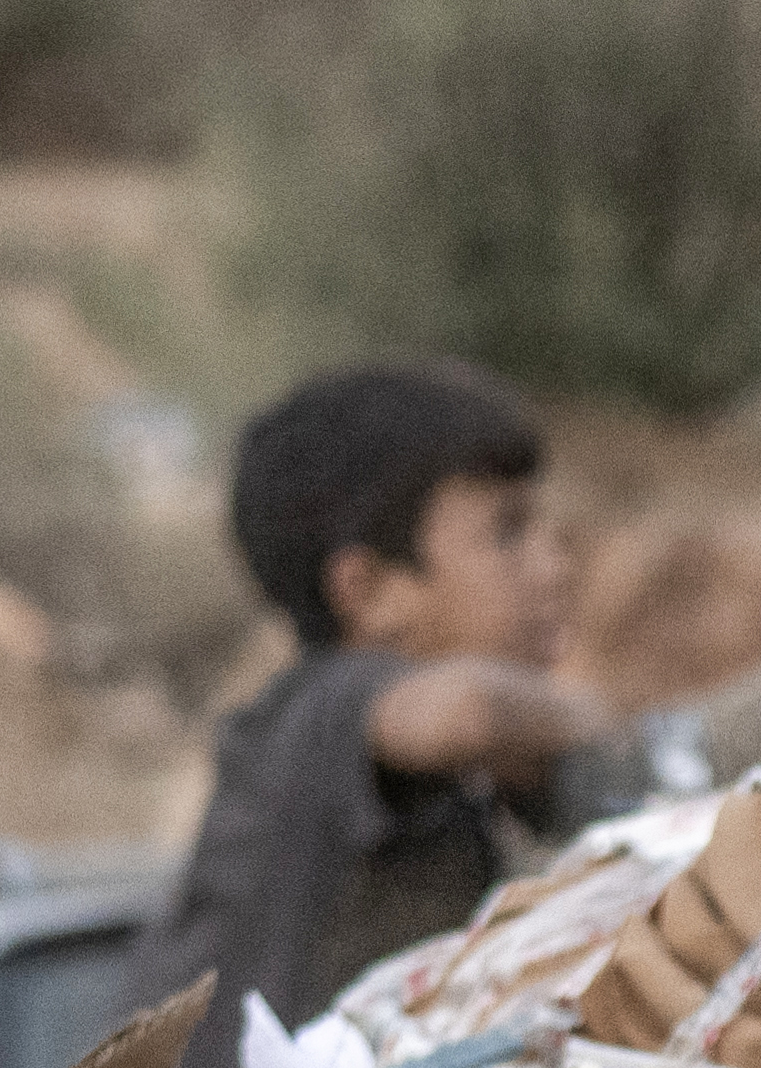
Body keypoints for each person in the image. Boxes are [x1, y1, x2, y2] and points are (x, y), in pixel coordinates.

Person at [148, 355, 620, 1028]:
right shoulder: (320, 707)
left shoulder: (454, 790)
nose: (554, 565)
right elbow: (471, 712)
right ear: (369, 592)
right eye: (507, 534)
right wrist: (622, 728)